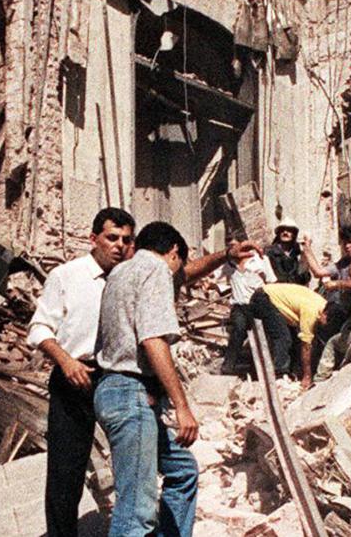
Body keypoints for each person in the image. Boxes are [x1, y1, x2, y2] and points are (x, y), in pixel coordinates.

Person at [28, 207, 136, 537]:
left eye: (126, 240)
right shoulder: (67, 276)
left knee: (133, 463)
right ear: (93, 239)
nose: (119, 246)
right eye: (112, 238)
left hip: (117, 379)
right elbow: (39, 327)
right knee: (66, 473)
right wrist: (66, 361)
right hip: (75, 377)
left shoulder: (130, 278)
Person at [93, 221, 199, 537]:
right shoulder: (156, 269)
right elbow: (153, 338)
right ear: (174, 252)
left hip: (115, 391)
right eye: (178, 267)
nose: (177, 277)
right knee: (136, 513)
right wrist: (182, 406)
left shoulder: (120, 272)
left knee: (183, 470)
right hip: (131, 392)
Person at [310, 225, 351, 375]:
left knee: (337, 342)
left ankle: (322, 376)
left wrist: (336, 284)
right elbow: (318, 272)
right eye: (346, 243)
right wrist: (306, 248)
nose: (348, 246)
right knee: (322, 329)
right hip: (347, 311)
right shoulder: (343, 263)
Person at [250, 281, 329, 384]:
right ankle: (280, 375)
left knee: (294, 339)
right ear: (324, 314)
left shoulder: (323, 304)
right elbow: (306, 346)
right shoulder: (311, 312)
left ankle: (292, 371)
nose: (325, 325)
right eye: (326, 322)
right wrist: (307, 375)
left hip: (271, 298)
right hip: (264, 299)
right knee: (283, 337)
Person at [221, 230, 277, 375]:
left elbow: (271, 281)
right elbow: (216, 280)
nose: (233, 250)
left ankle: (265, 369)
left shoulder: (260, 260)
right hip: (239, 305)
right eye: (230, 247)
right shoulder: (227, 265)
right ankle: (228, 366)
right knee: (238, 329)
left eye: (235, 246)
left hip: (259, 304)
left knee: (265, 334)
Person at [266, 219, 310, 286]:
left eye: (289, 230)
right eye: (282, 230)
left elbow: (304, 278)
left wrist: (304, 255)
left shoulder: (297, 253)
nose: (285, 232)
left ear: (294, 234)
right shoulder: (269, 253)